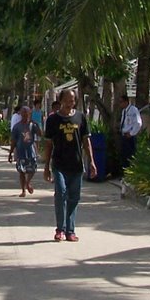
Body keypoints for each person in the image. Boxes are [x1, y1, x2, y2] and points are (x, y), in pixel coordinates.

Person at [43, 88, 97, 242]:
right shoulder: (53, 120)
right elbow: (48, 145)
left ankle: (70, 231)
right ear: (60, 101)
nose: (69, 103)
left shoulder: (80, 117)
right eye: (66, 100)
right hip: (59, 164)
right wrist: (46, 167)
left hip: (76, 164)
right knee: (60, 194)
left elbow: (86, 141)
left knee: (74, 198)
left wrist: (91, 162)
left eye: (72, 101)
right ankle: (60, 229)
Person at [9, 105, 42, 197]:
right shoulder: (17, 127)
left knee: (32, 170)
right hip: (20, 152)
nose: (25, 115)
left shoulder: (33, 125)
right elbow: (13, 141)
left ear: (29, 114)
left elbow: (40, 134)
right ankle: (23, 190)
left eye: (27, 113)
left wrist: (37, 124)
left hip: (31, 152)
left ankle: (28, 182)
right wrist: (11, 153)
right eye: (23, 113)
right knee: (21, 172)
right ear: (21, 114)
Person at [118, 94, 142, 169]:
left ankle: (130, 172)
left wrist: (131, 133)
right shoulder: (124, 111)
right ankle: (125, 173)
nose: (120, 104)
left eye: (121, 102)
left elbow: (138, 123)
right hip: (124, 136)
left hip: (129, 137)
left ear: (126, 102)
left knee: (130, 156)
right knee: (124, 156)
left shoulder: (133, 110)